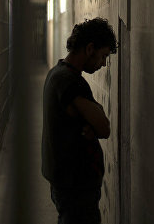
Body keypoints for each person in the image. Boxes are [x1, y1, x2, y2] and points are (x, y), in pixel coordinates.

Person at [41, 17, 117, 224]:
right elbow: (104, 128)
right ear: (90, 49)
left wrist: (91, 119)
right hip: (75, 186)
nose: (103, 63)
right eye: (103, 56)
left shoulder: (57, 73)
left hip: (68, 183)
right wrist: (93, 122)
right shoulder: (69, 81)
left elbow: (96, 115)